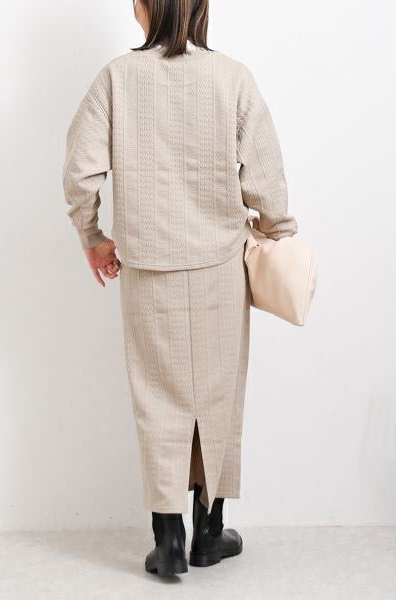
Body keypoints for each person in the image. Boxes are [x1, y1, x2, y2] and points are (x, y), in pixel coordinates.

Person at [62, 0, 298, 577]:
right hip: (221, 265)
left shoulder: (116, 78)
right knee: (217, 396)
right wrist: (279, 233)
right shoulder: (232, 78)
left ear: (143, 8)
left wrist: (93, 236)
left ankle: (167, 540)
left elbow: (80, 171)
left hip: (149, 266)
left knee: (158, 399)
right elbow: (265, 176)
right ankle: (209, 534)